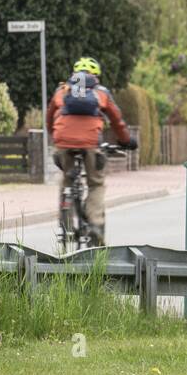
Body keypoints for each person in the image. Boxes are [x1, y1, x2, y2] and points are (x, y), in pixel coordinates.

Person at [45, 57, 136, 243]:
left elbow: (49, 116)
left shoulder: (62, 90)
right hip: (90, 143)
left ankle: (66, 224)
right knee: (96, 183)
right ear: (96, 76)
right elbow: (117, 120)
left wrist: (55, 137)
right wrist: (126, 140)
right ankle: (95, 224)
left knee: (67, 179)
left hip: (62, 141)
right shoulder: (101, 92)